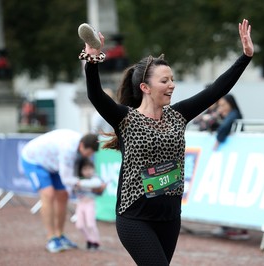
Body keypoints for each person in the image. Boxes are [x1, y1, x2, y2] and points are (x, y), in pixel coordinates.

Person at [79, 19, 254, 265]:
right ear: (145, 87)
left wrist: (245, 57)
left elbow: (216, 90)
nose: (172, 85)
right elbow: (95, 95)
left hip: (170, 217)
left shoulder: (178, 116)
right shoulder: (126, 119)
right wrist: (92, 60)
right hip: (134, 218)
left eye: (172, 79)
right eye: (164, 81)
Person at [20, 129, 99, 253]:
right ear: (82, 145)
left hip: (52, 163)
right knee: (48, 194)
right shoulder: (68, 149)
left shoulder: (81, 145)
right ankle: (51, 238)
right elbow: (67, 179)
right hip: (33, 160)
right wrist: (85, 184)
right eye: (87, 154)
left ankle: (60, 235)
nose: (87, 157)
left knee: (63, 195)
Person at [212, 94, 250, 240]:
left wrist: (217, 139)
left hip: (235, 159)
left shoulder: (234, 115)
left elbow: (225, 128)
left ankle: (239, 228)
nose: (220, 108)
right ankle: (227, 225)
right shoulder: (229, 114)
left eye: (222, 105)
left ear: (230, 104)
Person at [73, 158, 106, 250]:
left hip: (90, 203)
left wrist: (81, 183)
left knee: (90, 224)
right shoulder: (78, 179)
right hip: (80, 204)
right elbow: (73, 187)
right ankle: (90, 239)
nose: (87, 171)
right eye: (85, 169)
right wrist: (77, 184)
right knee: (79, 225)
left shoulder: (95, 178)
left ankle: (96, 241)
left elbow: (97, 184)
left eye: (89, 168)